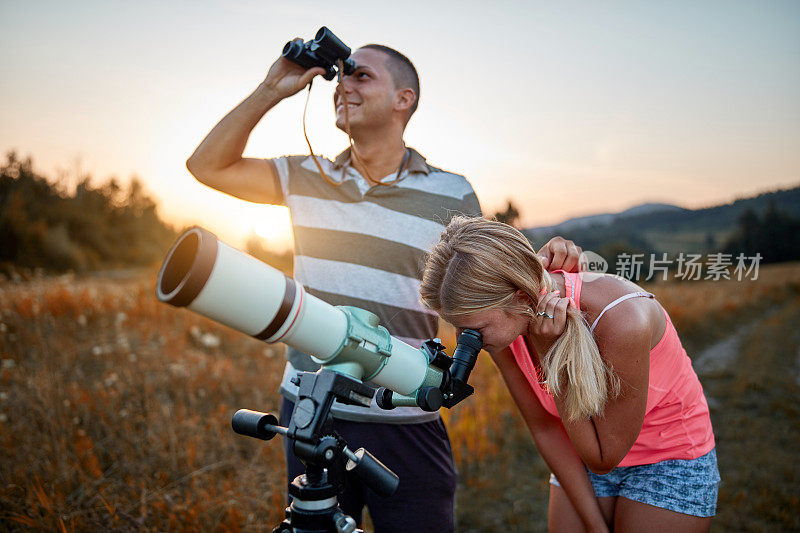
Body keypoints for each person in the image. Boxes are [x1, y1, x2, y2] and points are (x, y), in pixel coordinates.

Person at [186, 40, 583, 532]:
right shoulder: (306, 175)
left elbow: (491, 293)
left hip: (406, 417)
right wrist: (272, 89)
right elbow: (206, 166)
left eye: (361, 75)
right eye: (340, 76)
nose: (343, 84)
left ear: (404, 99)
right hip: (311, 409)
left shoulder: (450, 191)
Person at [420, 216, 720, 533]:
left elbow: (604, 457)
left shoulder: (621, 320)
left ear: (520, 298)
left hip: (667, 459)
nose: (465, 339)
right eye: (457, 325)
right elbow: (545, 426)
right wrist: (595, 525)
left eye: (473, 329)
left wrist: (552, 356)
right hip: (583, 449)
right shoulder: (501, 331)